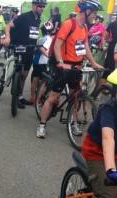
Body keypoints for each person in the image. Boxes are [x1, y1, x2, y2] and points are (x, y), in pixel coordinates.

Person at [36, 0, 103, 138]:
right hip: (63, 65)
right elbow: (57, 45)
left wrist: (94, 63)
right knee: (53, 97)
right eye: (94, 13)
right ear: (86, 11)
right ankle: (42, 125)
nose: (94, 16)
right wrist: (60, 62)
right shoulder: (69, 23)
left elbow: (85, 48)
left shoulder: (84, 27)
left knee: (76, 96)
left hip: (76, 66)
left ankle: (73, 122)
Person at [63, 71, 117, 198]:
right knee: (109, 196)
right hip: (98, 154)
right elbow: (108, 138)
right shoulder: (109, 109)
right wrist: (110, 170)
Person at [4, 0, 47, 108]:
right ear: (34, 6)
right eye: (40, 6)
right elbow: (8, 26)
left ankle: (20, 96)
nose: (42, 8)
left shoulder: (38, 20)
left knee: (25, 75)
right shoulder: (24, 17)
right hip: (19, 47)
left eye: (43, 6)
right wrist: (8, 38)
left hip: (30, 49)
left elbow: (33, 35)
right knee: (19, 71)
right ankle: (15, 93)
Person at [29, 21, 54, 103]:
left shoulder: (40, 39)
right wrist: (49, 57)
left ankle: (32, 98)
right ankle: (38, 100)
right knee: (43, 83)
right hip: (43, 63)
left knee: (34, 80)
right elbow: (42, 48)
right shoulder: (49, 39)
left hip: (36, 62)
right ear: (51, 30)